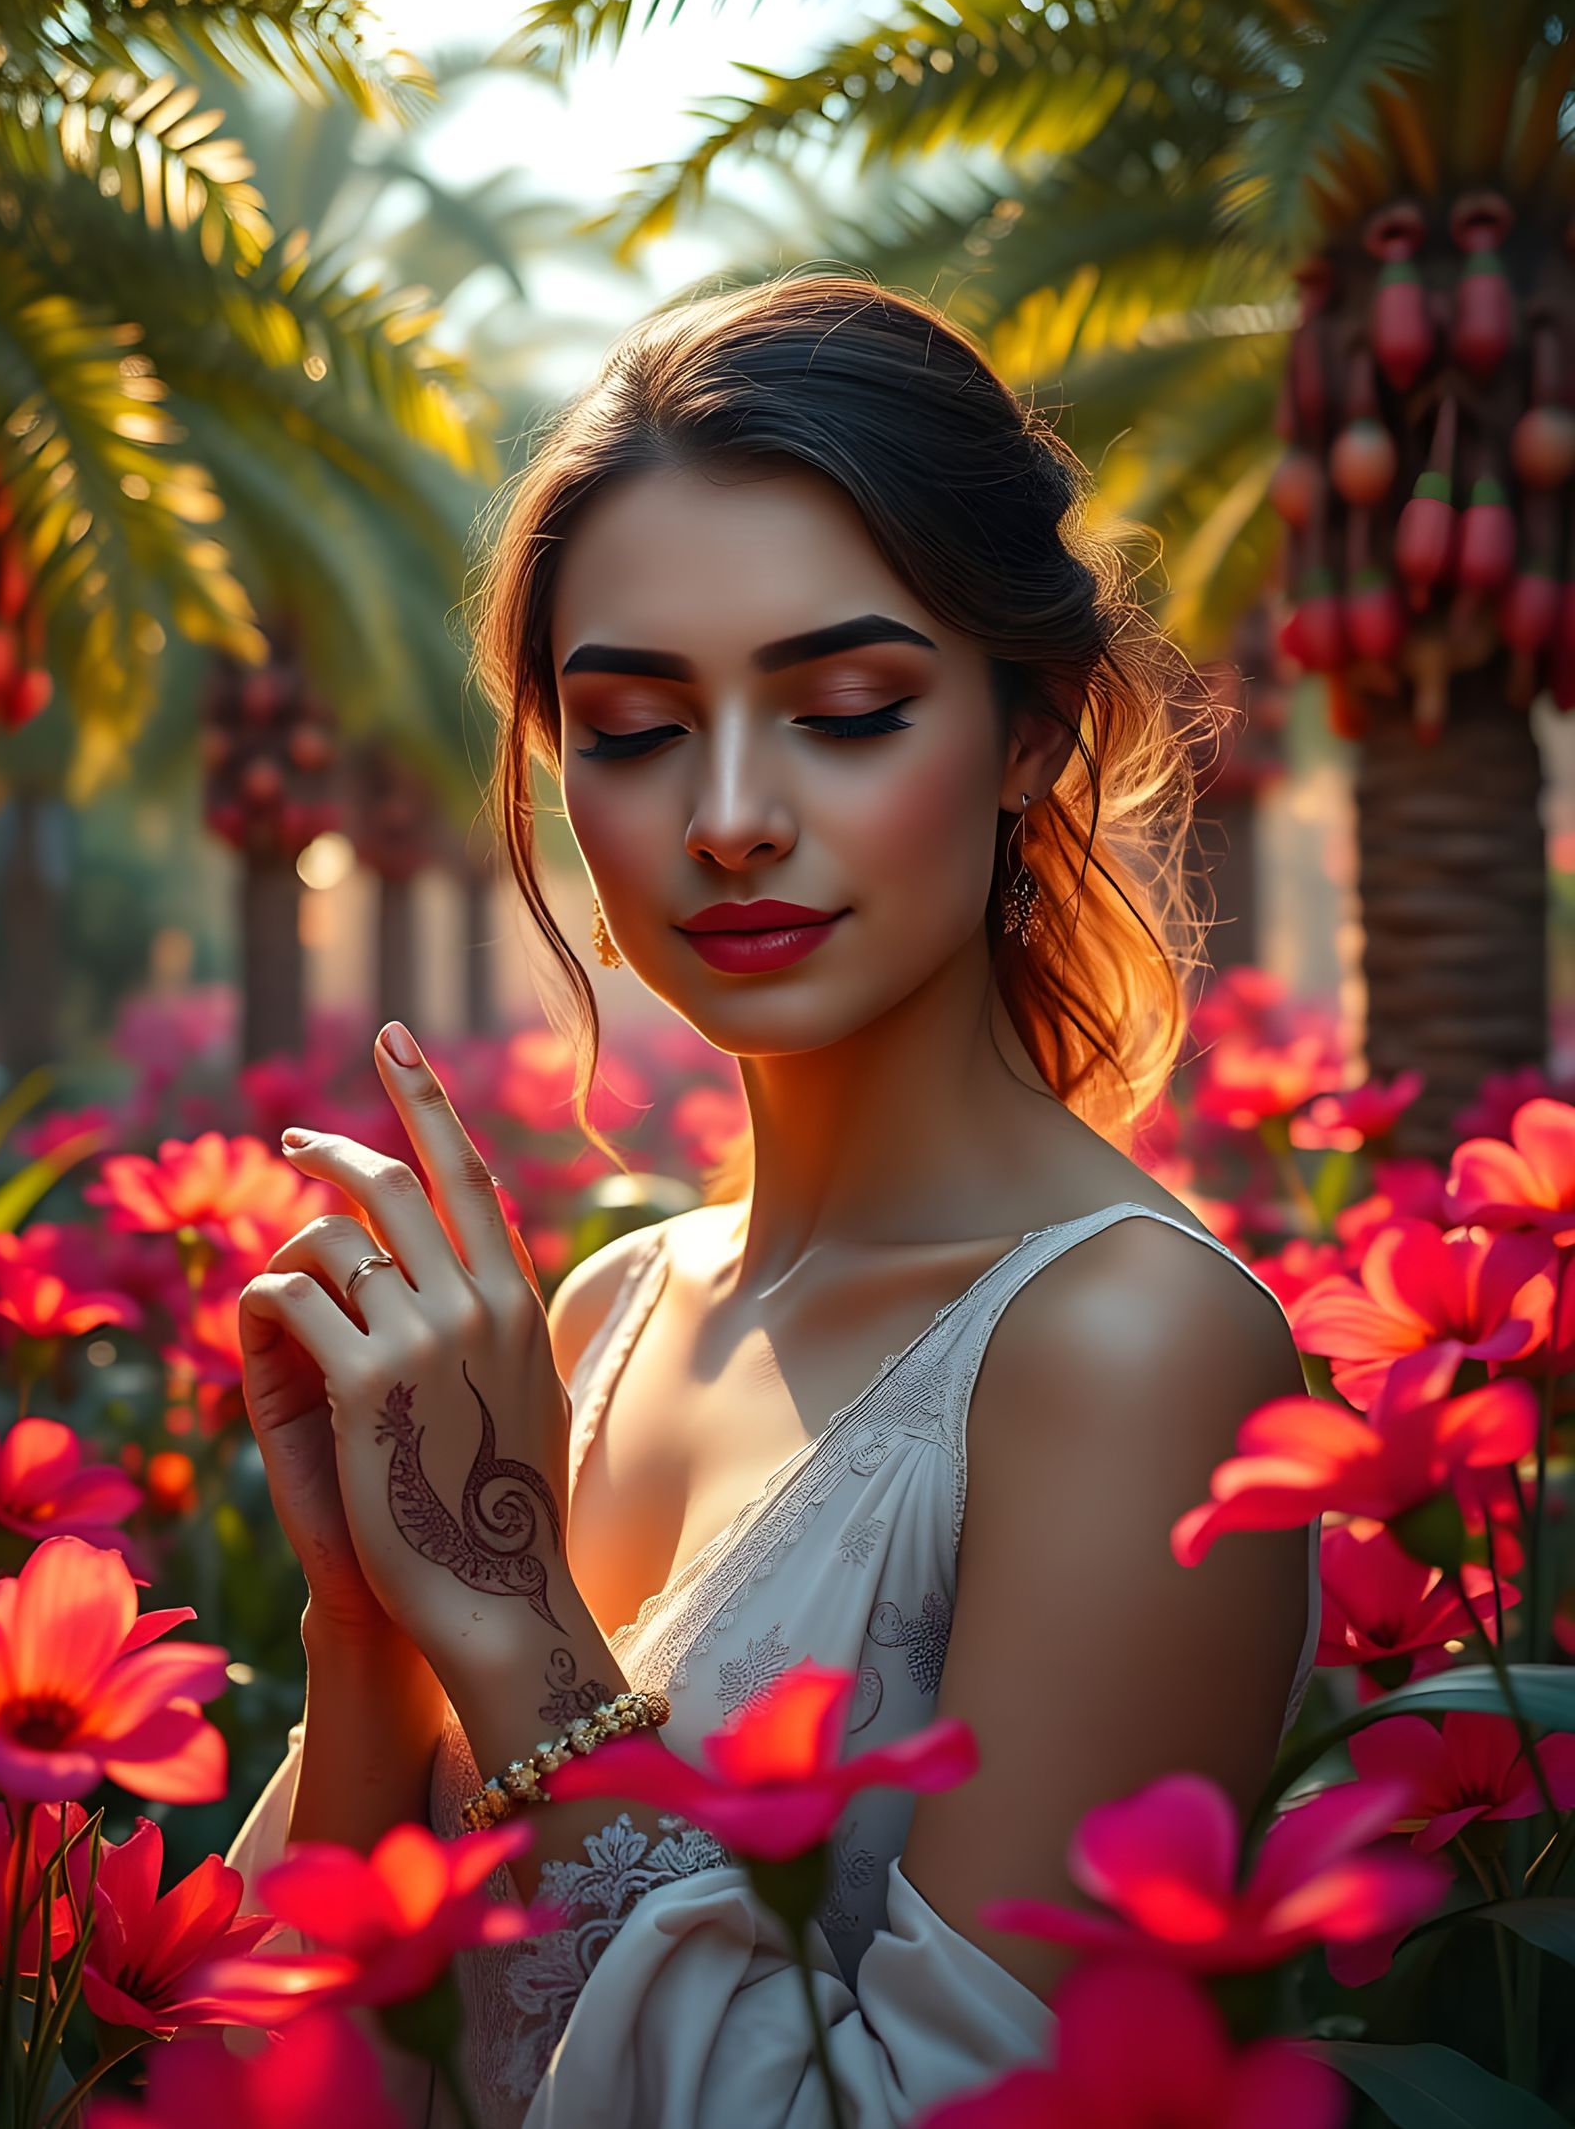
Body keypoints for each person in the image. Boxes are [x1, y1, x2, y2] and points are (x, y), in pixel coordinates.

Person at [227, 272, 1321, 2127]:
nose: (729, 813)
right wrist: (369, 1619)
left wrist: (508, 1617)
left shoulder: (1133, 1351)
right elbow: (282, 2052)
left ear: (1033, 728)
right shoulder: (598, 1317)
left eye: (847, 707)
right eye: (637, 729)